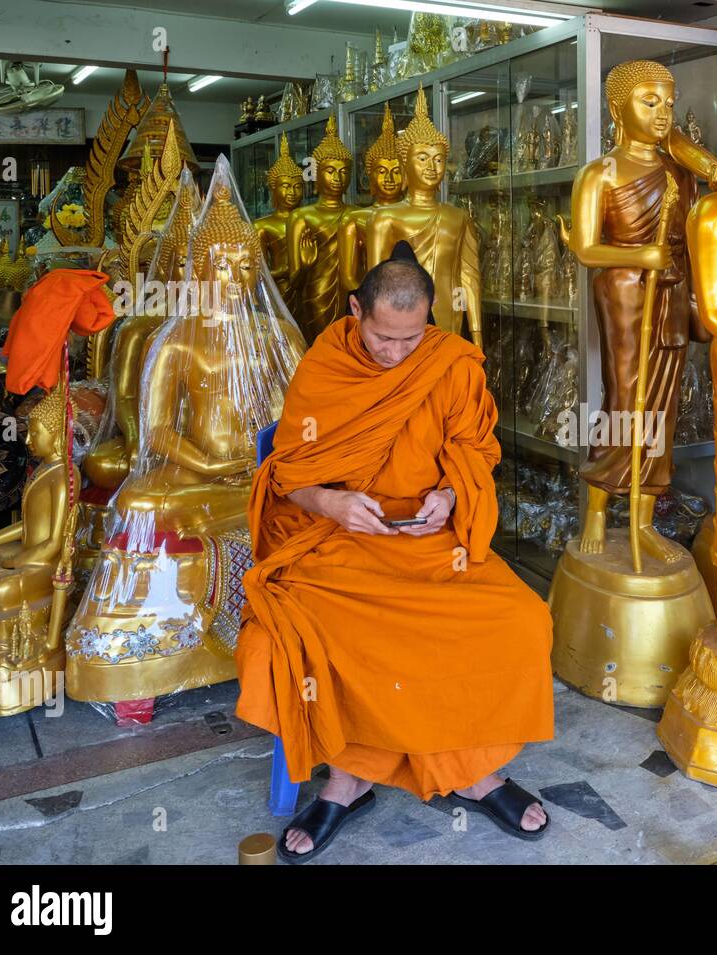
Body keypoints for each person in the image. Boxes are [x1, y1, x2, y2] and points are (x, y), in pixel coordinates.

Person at [235, 242, 554, 863]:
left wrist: (450, 494)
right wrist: (331, 504)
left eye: (413, 339)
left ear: (430, 318)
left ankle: (472, 766)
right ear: (357, 309)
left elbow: (477, 452)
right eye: (384, 338)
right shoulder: (325, 363)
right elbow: (288, 471)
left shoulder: (452, 363)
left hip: (431, 542)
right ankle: (348, 780)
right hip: (338, 540)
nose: (398, 354)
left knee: (521, 618)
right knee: (304, 633)